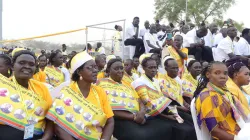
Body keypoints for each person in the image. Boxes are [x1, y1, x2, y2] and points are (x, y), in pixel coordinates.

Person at [47, 51, 114, 140]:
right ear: (79, 72)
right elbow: (57, 123)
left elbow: (110, 121)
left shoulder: (99, 91)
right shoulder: (67, 90)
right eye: (90, 68)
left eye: (95, 67)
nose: (95, 70)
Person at [97, 58, 170, 140]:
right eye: (116, 69)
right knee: (141, 136)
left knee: (163, 128)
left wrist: (142, 112)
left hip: (138, 117)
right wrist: (134, 117)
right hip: (119, 120)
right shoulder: (101, 83)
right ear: (108, 71)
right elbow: (108, 109)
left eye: (121, 68)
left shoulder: (128, 86)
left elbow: (139, 101)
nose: (120, 71)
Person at [132, 57, 197, 140]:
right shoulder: (139, 82)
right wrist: (167, 116)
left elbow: (162, 100)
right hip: (152, 115)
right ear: (144, 68)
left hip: (164, 112)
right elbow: (149, 105)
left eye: (155, 67)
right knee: (184, 130)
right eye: (150, 67)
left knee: (190, 126)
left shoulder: (155, 81)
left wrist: (171, 113)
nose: (153, 70)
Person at [0, 50, 53, 139]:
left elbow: (50, 119)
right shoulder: (3, 87)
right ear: (12, 66)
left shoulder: (42, 88)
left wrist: (45, 138)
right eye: (22, 63)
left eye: (31, 64)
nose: (27, 67)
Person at [194, 61, 250, 140]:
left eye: (225, 73)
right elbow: (214, 131)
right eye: (217, 73)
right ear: (208, 74)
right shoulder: (207, 96)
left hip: (240, 131)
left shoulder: (225, 93)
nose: (223, 76)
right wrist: (237, 139)